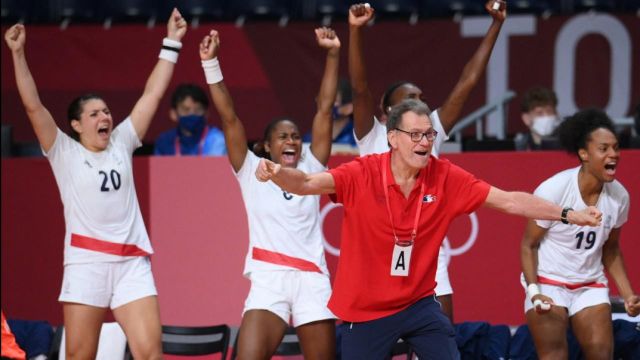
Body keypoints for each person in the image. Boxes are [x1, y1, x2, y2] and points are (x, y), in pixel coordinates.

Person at [255, 99, 601, 359]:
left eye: (429, 134)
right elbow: (306, 182)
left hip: (418, 303)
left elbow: (510, 201)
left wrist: (568, 214)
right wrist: (276, 173)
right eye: (415, 134)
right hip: (365, 311)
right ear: (392, 138)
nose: (424, 142)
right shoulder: (362, 173)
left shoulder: (445, 175)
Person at [4, 9, 187, 359]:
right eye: (94, 113)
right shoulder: (63, 152)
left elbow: (152, 94)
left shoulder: (122, 141)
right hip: (86, 263)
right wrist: (17, 53)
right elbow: (32, 106)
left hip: (132, 263)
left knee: (151, 354)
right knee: (80, 356)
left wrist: (172, 42)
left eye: (106, 111)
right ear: (75, 124)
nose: (105, 116)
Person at [348, 0, 507, 321]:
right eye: (410, 99)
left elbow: (467, 83)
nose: (420, 103)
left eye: (422, 98)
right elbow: (359, 86)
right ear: (387, 110)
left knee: (441, 341)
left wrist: (496, 26)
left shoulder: (431, 131)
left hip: (428, 255)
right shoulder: (371, 134)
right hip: (376, 254)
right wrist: (355, 31)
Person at [199, 26, 340, 359]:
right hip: (268, 277)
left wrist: (333, 54)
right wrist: (211, 64)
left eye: (294, 136)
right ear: (265, 146)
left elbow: (324, 109)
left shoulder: (313, 165)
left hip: (311, 278)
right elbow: (229, 117)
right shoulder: (250, 169)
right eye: (282, 136)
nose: (291, 140)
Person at [520, 108, 640, 359]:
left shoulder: (620, 197)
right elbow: (528, 245)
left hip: (589, 284)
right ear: (584, 154)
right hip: (548, 282)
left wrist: (628, 294)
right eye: (604, 148)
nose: (614, 155)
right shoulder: (554, 189)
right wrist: (534, 292)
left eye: (616, 148)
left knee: (601, 353)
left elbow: (611, 249)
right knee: (554, 355)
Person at [154, 83, 226, 156]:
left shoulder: (217, 139)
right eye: (186, 110)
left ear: (206, 113)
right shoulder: (164, 141)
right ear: (173, 114)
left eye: (198, 109)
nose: (192, 113)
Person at [303, 78, 357, 148]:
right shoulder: (309, 139)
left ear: (349, 108)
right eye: (323, 98)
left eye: (332, 99)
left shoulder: (358, 137)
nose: (325, 104)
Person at [514, 86, 561, 151]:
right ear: (526, 119)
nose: (546, 116)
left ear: (556, 114)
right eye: (539, 113)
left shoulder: (568, 147)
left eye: (549, 111)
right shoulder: (518, 148)